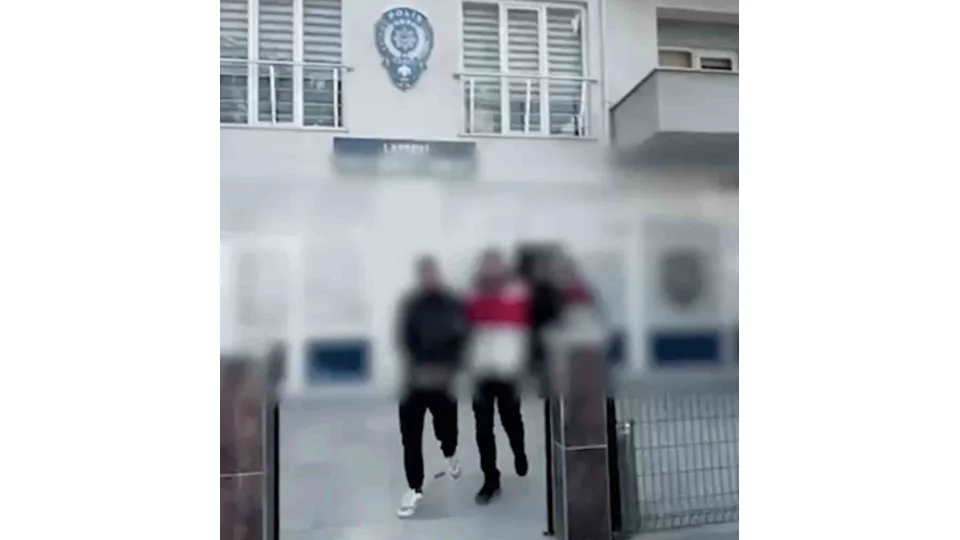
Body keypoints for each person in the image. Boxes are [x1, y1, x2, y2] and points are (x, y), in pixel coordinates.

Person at [395, 256, 469, 518]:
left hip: (443, 379)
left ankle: (450, 453)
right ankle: (414, 487)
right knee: (410, 436)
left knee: (446, 429)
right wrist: (418, 366)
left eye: (432, 273)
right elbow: (403, 338)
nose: (429, 279)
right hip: (415, 380)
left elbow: (462, 337)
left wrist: (449, 367)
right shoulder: (411, 304)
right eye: (424, 274)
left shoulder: (451, 303)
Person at [465, 249, 531, 505]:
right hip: (481, 372)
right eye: (487, 266)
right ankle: (490, 480)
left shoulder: (516, 292)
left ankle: (519, 452)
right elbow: (465, 329)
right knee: (483, 429)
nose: (490, 270)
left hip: (507, 371)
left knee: (511, 419)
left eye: (494, 265)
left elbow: (523, 328)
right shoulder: (473, 294)